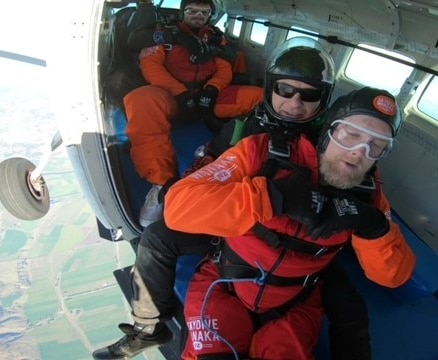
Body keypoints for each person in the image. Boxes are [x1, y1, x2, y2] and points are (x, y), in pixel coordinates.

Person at [92, 36, 340, 360]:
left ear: (324, 99)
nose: (295, 104)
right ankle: (149, 327)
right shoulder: (243, 130)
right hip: (231, 228)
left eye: (309, 95)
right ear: (270, 88)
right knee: (156, 238)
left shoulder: (333, 147)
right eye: (285, 90)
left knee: (346, 308)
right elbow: (208, 166)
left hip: (292, 245)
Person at [164, 86, 416, 359]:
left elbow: (394, 276)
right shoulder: (261, 152)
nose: (359, 152)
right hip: (226, 283)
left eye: (376, 145)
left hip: (295, 302)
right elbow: (178, 207)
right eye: (350, 135)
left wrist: (374, 227)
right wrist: (274, 195)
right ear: (328, 130)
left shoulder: (368, 194)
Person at [124, 0, 264, 227]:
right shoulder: (164, 35)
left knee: (257, 97)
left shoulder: (216, 39)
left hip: (207, 97)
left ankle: (247, 160)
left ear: (210, 16)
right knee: (141, 100)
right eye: (192, 10)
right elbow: (151, 66)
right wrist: (180, 93)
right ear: (183, 13)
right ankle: (161, 185)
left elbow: (223, 67)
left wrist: (213, 89)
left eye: (204, 12)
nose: (198, 15)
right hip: (172, 96)